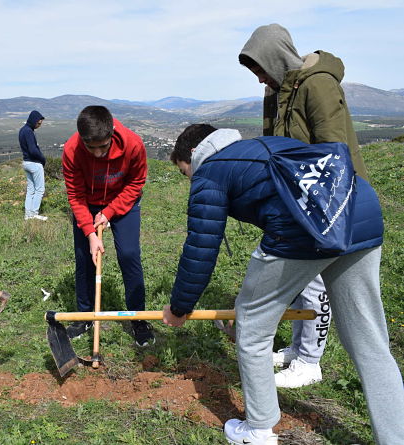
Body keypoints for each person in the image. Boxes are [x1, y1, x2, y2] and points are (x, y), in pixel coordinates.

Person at [163, 124, 404, 445]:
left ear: (192, 154)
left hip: (304, 228)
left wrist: (180, 306)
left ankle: (258, 430)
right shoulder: (259, 145)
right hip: (360, 208)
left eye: (184, 172)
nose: (189, 179)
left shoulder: (209, 171)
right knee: (369, 340)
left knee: (251, 326)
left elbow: (201, 248)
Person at [238, 23, 368, 388]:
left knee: (312, 281)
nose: (259, 78)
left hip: (329, 197)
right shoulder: (276, 93)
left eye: (260, 68)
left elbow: (333, 149)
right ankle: (298, 349)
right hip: (299, 198)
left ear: (276, 58)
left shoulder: (318, 84)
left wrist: (319, 202)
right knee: (301, 280)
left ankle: (310, 361)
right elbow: (275, 147)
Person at [62, 105, 154, 346]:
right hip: (88, 205)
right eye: (90, 147)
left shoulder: (133, 144)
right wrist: (91, 234)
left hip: (123, 202)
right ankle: (85, 316)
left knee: (129, 254)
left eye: (103, 146)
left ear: (112, 133)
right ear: (82, 139)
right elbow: (75, 195)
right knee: (84, 258)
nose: (97, 153)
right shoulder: (72, 150)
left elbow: (136, 183)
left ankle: (139, 318)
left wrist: (110, 211)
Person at [19, 110, 47, 220]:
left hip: (26, 162)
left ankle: (28, 214)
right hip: (34, 163)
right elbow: (33, 150)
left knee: (31, 189)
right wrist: (43, 159)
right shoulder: (29, 131)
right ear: (34, 120)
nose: (39, 125)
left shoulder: (23, 130)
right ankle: (34, 213)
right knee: (40, 189)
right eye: (39, 123)